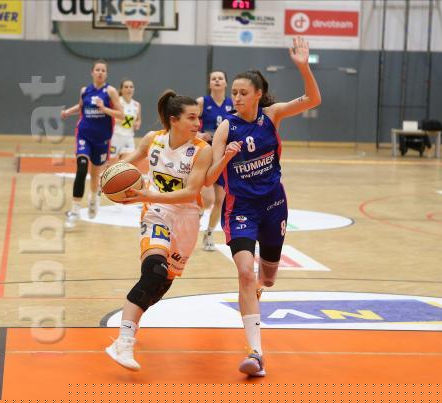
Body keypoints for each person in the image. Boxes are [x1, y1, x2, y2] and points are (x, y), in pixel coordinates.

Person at [205, 37, 321, 377]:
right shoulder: (225, 127)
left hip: (273, 205)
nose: (237, 97)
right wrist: (224, 158)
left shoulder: (272, 115)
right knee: (244, 271)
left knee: (267, 278)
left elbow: (313, 99)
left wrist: (303, 67)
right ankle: (256, 353)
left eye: (243, 92)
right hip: (240, 208)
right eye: (234, 93)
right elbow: (210, 177)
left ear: (258, 94)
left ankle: (259, 286)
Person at [105, 90, 211, 371]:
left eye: (198, 118)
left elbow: (191, 193)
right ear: (174, 120)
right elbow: (131, 161)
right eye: (191, 118)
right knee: (154, 270)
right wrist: (111, 175)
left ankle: (130, 327)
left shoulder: (202, 150)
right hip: (156, 213)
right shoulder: (153, 139)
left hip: (187, 220)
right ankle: (123, 341)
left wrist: (147, 194)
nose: (197, 123)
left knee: (160, 285)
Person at [60, 60, 124, 229]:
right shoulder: (85, 90)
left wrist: (104, 109)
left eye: (103, 70)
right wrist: (68, 112)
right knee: (81, 169)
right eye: (98, 70)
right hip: (84, 135)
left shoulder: (110, 92)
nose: (100, 72)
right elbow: (81, 107)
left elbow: (121, 115)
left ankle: (94, 199)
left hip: (101, 140)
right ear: (92, 72)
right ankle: (75, 211)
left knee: (95, 175)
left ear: (106, 74)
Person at [197, 70, 233, 251]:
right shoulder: (202, 102)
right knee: (207, 199)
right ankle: (196, 214)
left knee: (220, 200)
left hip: (224, 157)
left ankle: (209, 233)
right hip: (206, 154)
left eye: (220, 78)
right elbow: (189, 124)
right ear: (209, 83)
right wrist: (199, 134)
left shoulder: (233, 104)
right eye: (214, 78)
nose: (217, 81)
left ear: (226, 83)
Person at [111, 79, 141, 160]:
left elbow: (138, 119)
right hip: (115, 136)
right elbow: (109, 117)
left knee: (128, 162)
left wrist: (137, 124)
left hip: (128, 138)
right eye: (126, 87)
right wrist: (118, 120)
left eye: (131, 87)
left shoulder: (136, 105)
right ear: (121, 90)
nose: (129, 89)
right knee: (111, 163)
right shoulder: (117, 102)